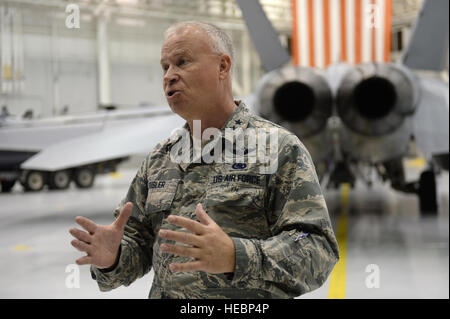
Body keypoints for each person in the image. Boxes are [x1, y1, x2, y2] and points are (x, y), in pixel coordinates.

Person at [69, 21, 339, 299]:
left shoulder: (277, 149)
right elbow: (138, 244)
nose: (169, 76)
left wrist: (237, 256)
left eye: (182, 62)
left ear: (223, 67)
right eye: (165, 67)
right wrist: (113, 257)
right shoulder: (161, 158)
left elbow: (316, 247)